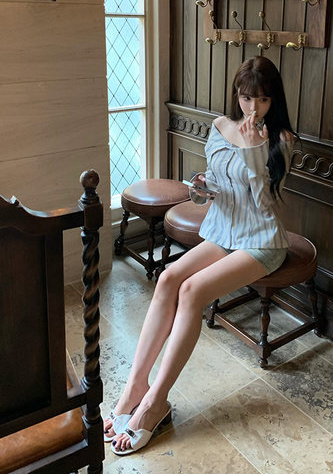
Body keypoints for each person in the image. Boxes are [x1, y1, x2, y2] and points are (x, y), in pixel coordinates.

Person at [105, 55, 297, 455]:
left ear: (273, 100)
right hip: (224, 232)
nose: (253, 108)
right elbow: (215, 185)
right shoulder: (220, 126)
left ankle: (155, 404)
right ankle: (134, 388)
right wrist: (200, 189)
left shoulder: (280, 140)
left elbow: (266, 204)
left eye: (263, 100)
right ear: (237, 94)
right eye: (246, 97)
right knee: (168, 279)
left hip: (261, 240)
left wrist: (253, 150)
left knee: (192, 292)